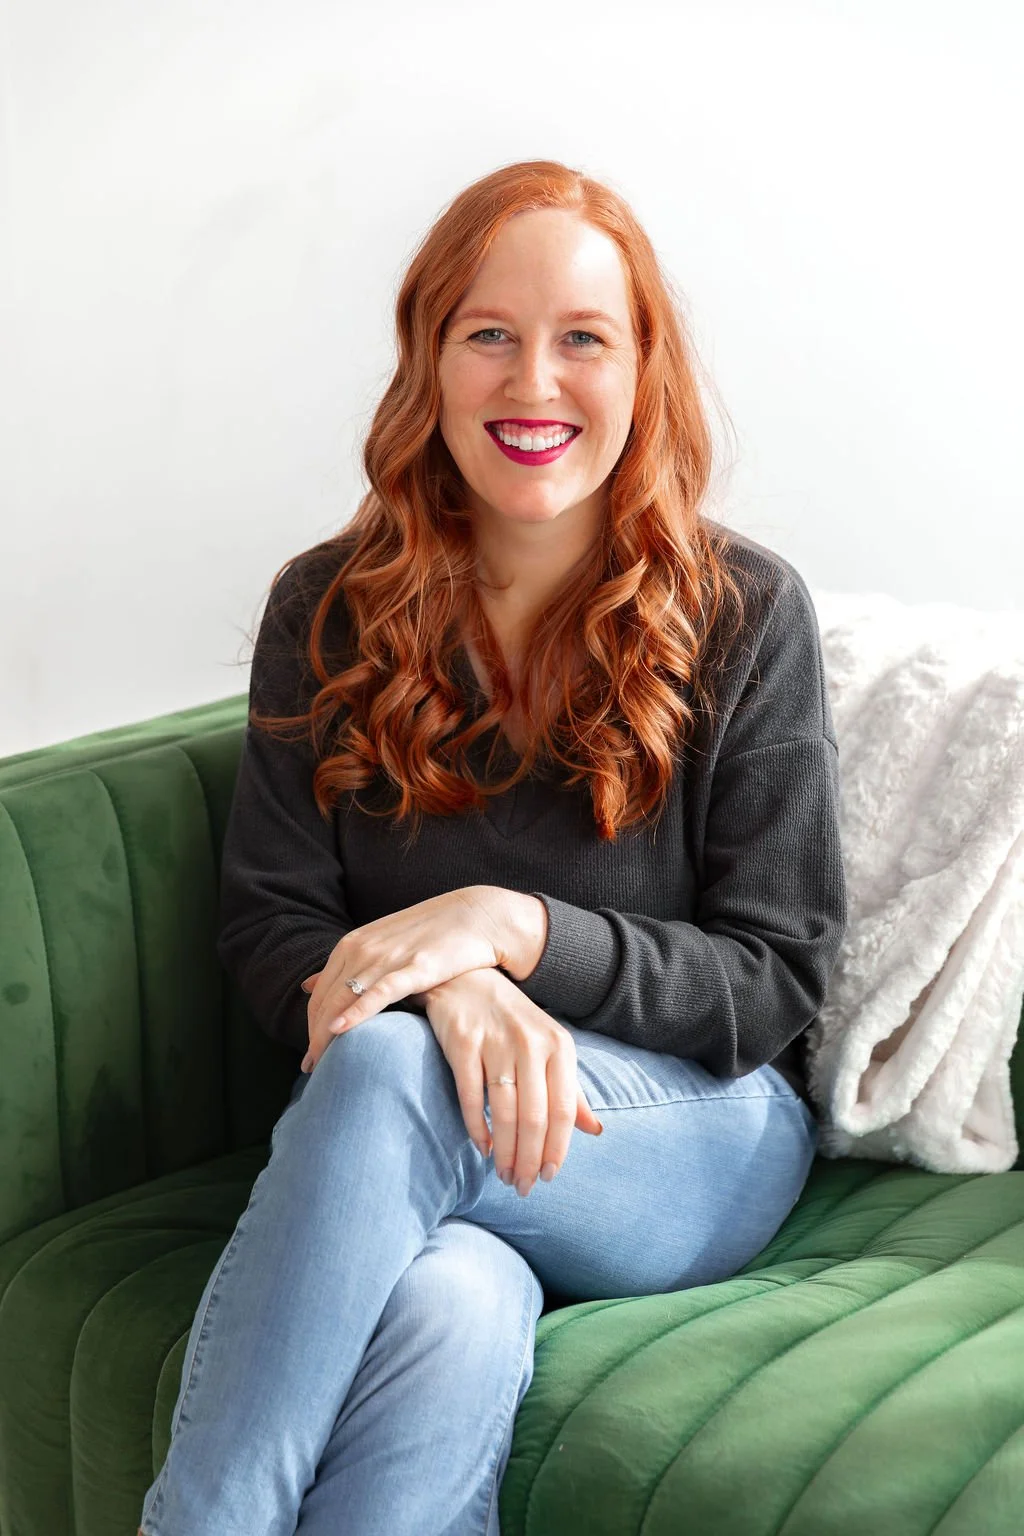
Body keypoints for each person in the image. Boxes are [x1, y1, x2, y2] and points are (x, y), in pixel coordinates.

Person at [138, 158, 846, 1536]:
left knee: (393, 1066)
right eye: (490, 334)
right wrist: (449, 984)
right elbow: (271, 928)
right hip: (432, 1145)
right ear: (432, 361)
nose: (535, 382)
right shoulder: (327, 608)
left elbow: (773, 980)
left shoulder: (747, 612)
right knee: (448, 1301)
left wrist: (511, 928)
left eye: (583, 337)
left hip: (690, 1137)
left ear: (644, 369)